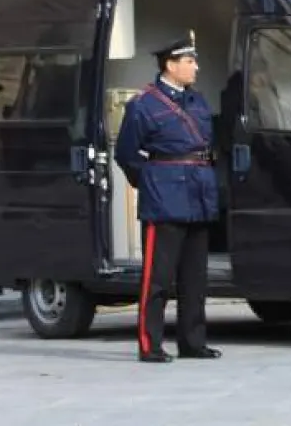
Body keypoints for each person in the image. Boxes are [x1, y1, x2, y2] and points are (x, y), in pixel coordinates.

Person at [114, 30, 222, 364]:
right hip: (165, 198)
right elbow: (126, 153)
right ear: (170, 65)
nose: (196, 67)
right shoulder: (144, 105)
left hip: (199, 195)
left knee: (195, 278)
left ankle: (192, 342)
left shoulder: (197, 101)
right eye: (189, 61)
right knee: (158, 278)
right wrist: (151, 183)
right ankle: (150, 344)